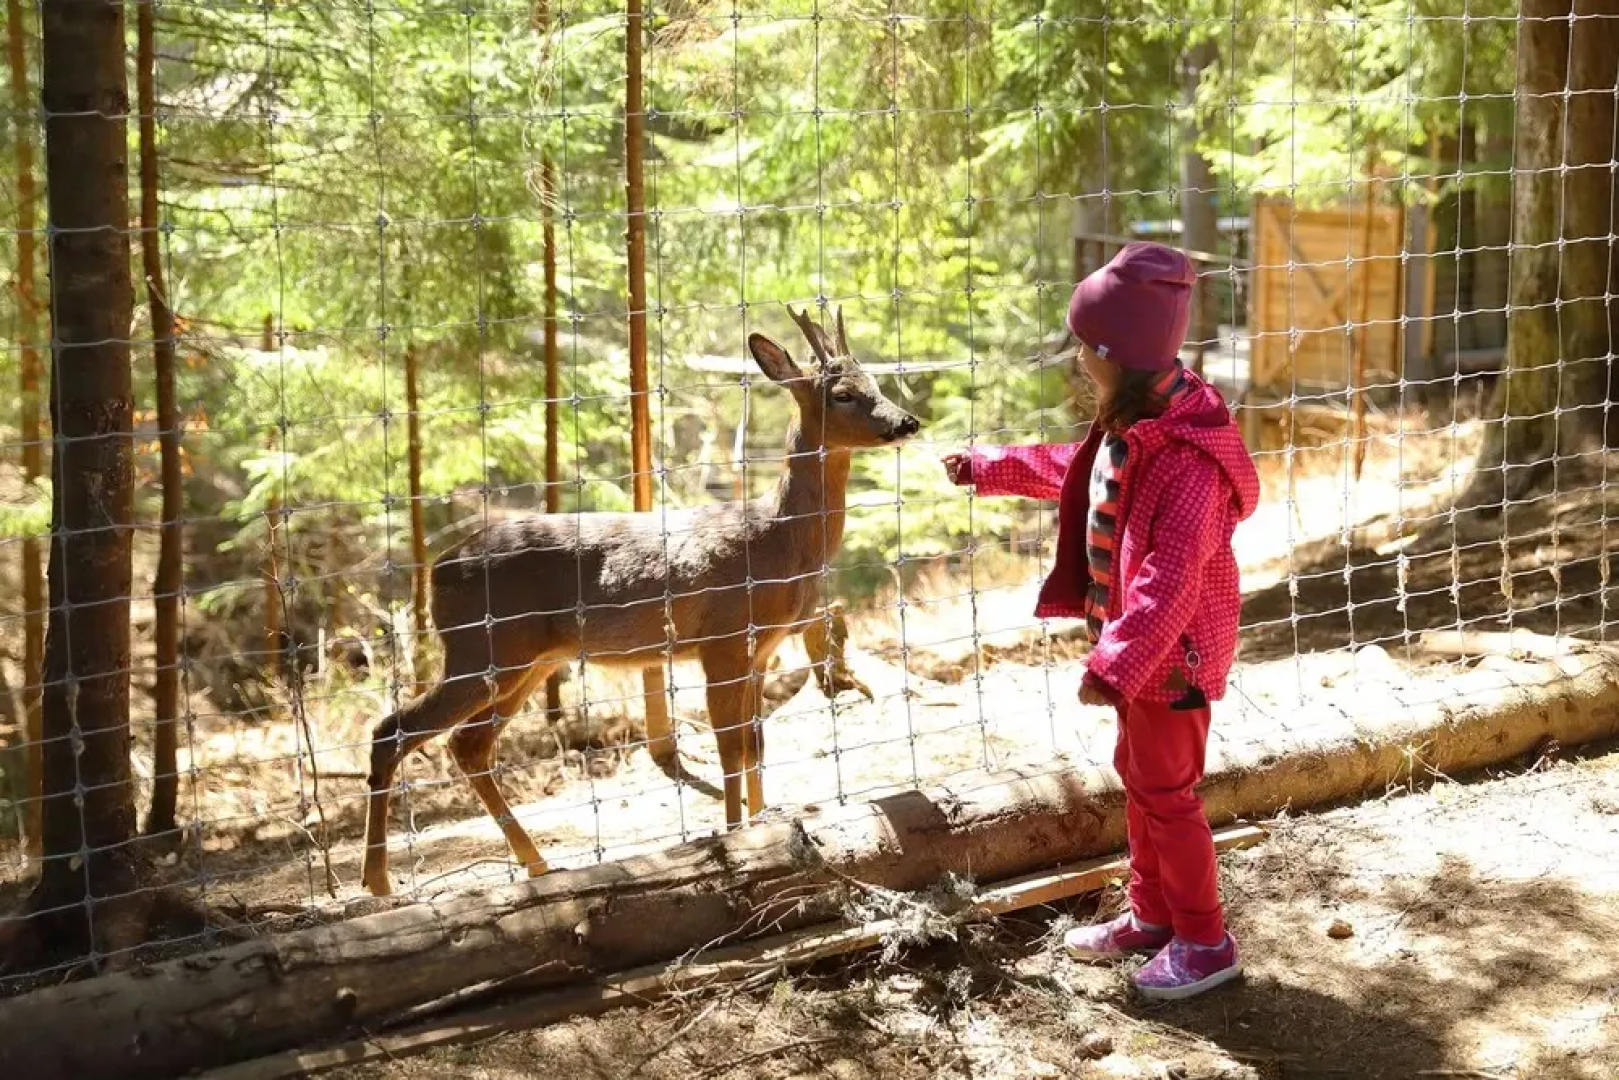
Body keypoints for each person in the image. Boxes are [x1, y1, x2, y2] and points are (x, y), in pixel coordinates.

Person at [941, 242, 1259, 1001]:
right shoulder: (1138, 421)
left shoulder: (1187, 458)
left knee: (1167, 796)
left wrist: (1117, 663)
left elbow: (1169, 577)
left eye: (1084, 346)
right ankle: (1152, 918)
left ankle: (1205, 940)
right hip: (1145, 657)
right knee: (1143, 784)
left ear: (1114, 354)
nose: (1078, 357)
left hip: (1168, 658)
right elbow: (1075, 473)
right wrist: (992, 467)